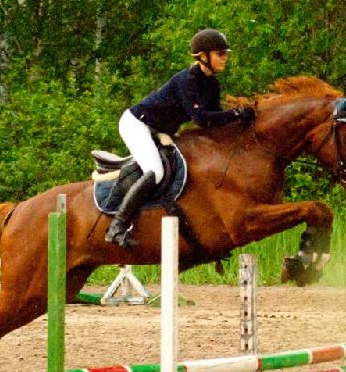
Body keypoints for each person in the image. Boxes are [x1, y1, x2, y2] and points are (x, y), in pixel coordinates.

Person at [105, 28, 256, 247]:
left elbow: (215, 122)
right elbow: (201, 118)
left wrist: (241, 121)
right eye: (220, 54)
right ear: (203, 56)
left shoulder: (212, 84)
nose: (225, 58)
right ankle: (117, 226)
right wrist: (235, 113)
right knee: (156, 172)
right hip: (137, 125)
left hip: (161, 130)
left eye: (225, 53)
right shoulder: (186, 80)